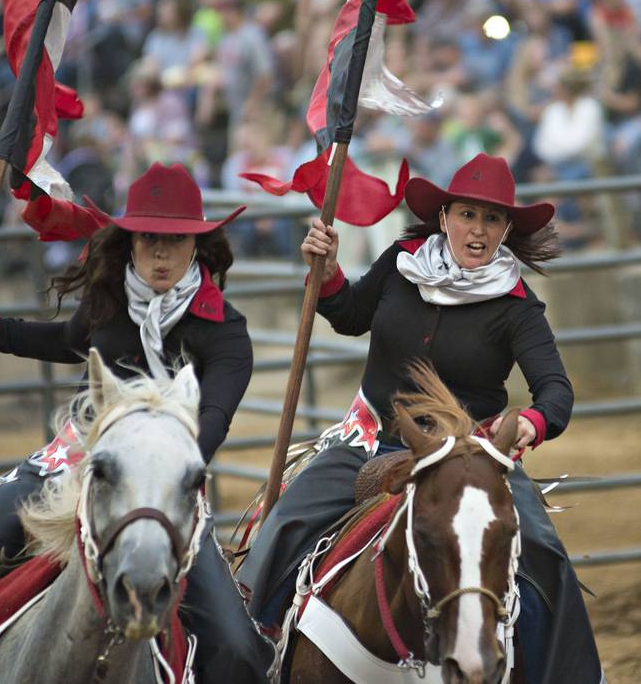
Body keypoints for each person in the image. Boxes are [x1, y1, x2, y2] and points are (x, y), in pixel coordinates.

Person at [0, 163, 274, 683]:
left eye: (177, 239)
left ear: (199, 245)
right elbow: (66, 342)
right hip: (69, 464)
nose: (162, 253)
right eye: (149, 238)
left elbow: (211, 422)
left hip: (164, 487)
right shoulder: (108, 298)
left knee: (237, 650)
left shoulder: (227, 334)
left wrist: (160, 462)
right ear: (129, 241)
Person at [237, 153, 605, 684]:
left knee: (543, 553)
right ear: (444, 216)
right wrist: (330, 270)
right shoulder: (401, 261)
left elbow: (556, 390)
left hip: (471, 459)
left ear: (505, 230)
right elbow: (350, 314)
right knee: (286, 524)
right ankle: (253, 654)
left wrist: (532, 422)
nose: (477, 230)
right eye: (468, 215)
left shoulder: (518, 305)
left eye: (492, 220)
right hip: (371, 444)